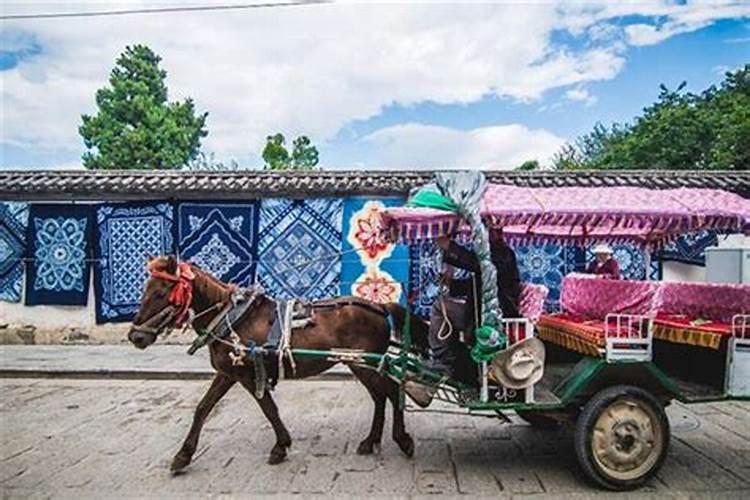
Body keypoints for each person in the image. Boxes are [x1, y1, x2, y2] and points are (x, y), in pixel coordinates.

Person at [427, 231, 522, 382]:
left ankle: (443, 360)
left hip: (497, 315)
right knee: (441, 306)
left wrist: (450, 246)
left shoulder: (504, 254)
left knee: (440, 307)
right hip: (478, 311)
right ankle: (447, 357)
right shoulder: (491, 253)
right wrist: (451, 284)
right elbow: (475, 285)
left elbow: (479, 265)